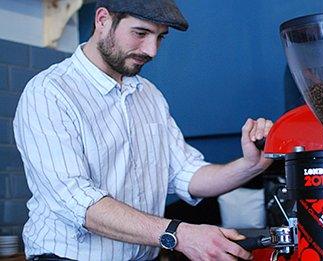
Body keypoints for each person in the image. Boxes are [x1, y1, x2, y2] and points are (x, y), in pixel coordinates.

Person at [13, 0, 273, 260]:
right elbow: (76, 201)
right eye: (140, 33)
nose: (152, 50)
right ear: (102, 20)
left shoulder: (149, 95)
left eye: (160, 37)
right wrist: (178, 234)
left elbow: (186, 173)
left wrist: (251, 165)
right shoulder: (50, 92)